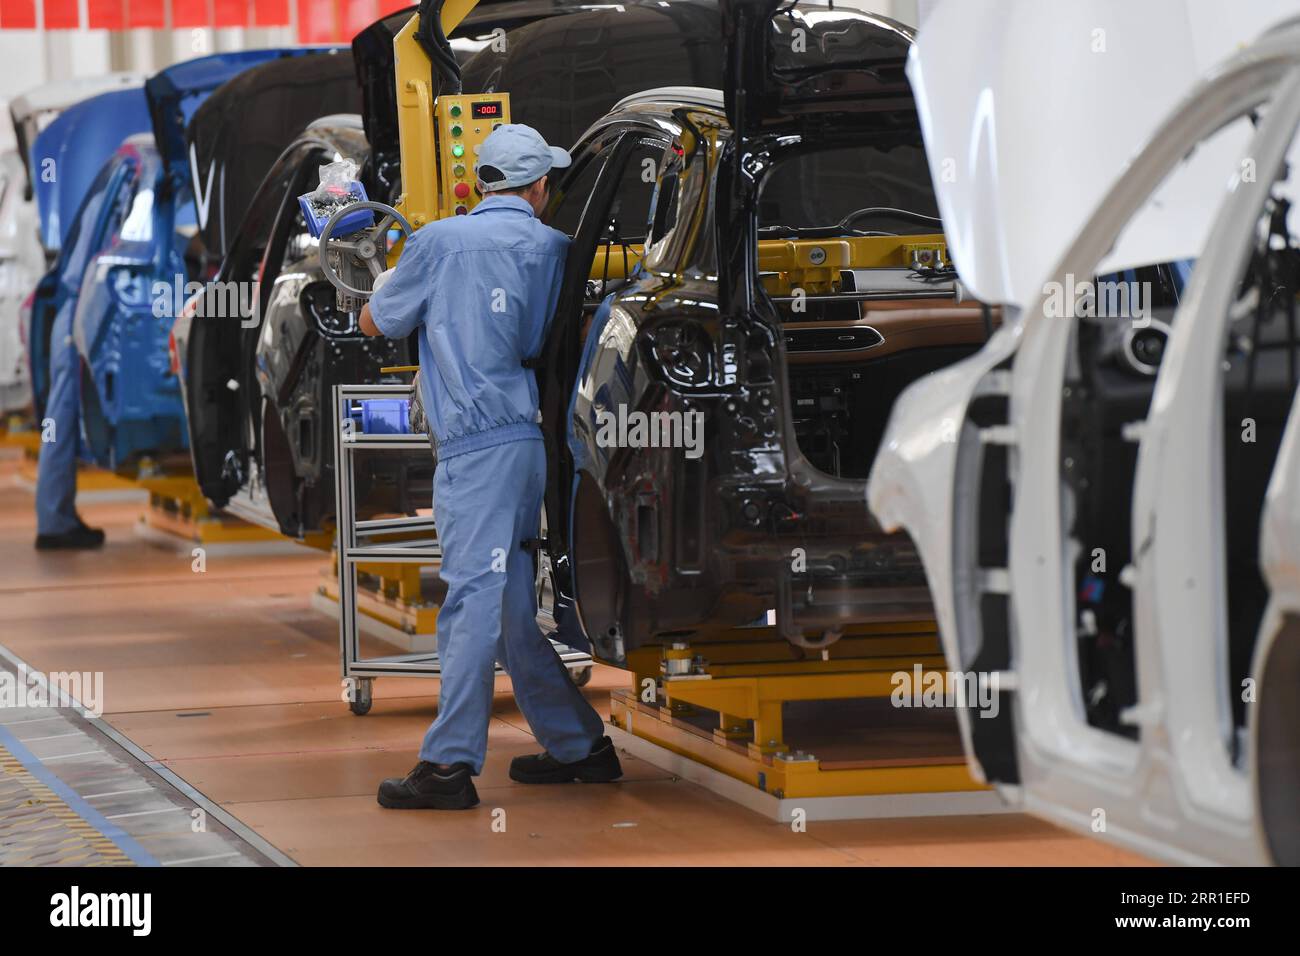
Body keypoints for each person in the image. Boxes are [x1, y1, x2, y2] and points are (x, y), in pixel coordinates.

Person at [360, 124, 621, 811]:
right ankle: (580, 746)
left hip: (474, 452)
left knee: (472, 603)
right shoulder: (559, 249)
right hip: (529, 444)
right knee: (507, 611)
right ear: (538, 189)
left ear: (481, 184)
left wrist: (377, 290)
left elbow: (376, 323)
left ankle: (447, 766)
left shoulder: (437, 242)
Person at [34, 298, 105, 551]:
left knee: (56, 424)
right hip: (77, 318)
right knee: (59, 426)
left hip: (68, 317)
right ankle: (55, 523)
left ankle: (57, 517)